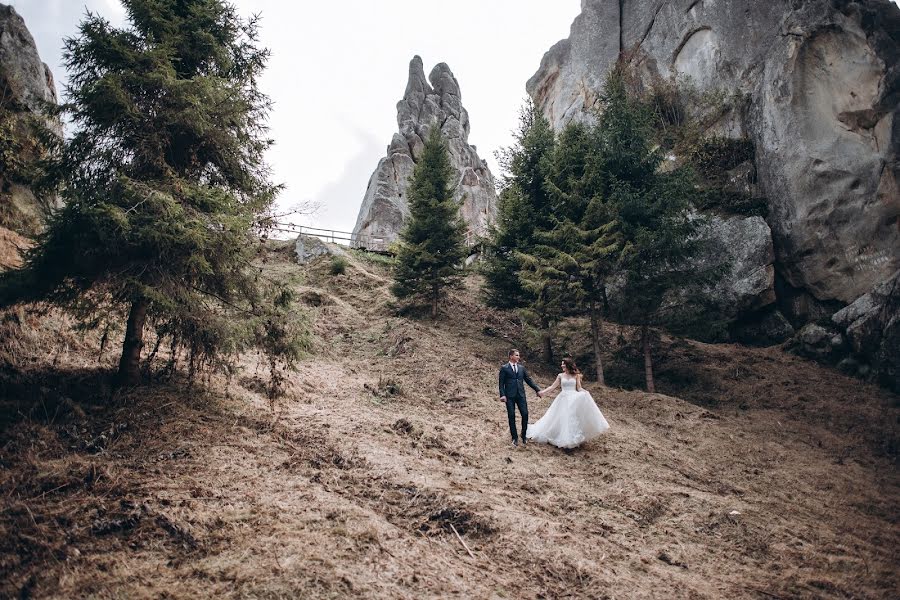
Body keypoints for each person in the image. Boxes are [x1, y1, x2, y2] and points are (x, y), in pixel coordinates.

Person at [527, 357, 610, 449]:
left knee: (572, 419)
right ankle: (562, 437)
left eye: (563, 364)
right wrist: (542, 392)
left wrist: (585, 392)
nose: (562, 365)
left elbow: (579, 388)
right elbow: (552, 387)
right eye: (562, 364)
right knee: (560, 418)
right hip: (563, 398)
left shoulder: (576, 376)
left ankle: (572, 439)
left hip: (573, 399)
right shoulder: (560, 376)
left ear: (568, 365)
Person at [499, 349, 542, 447]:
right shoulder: (504, 368)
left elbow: (528, 380)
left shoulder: (522, 368)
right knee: (511, 416)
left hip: (521, 395)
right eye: (517, 355)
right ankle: (514, 438)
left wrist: (537, 390)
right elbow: (501, 383)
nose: (518, 357)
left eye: (518, 355)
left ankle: (523, 435)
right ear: (511, 356)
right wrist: (502, 395)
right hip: (509, 396)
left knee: (525, 414)